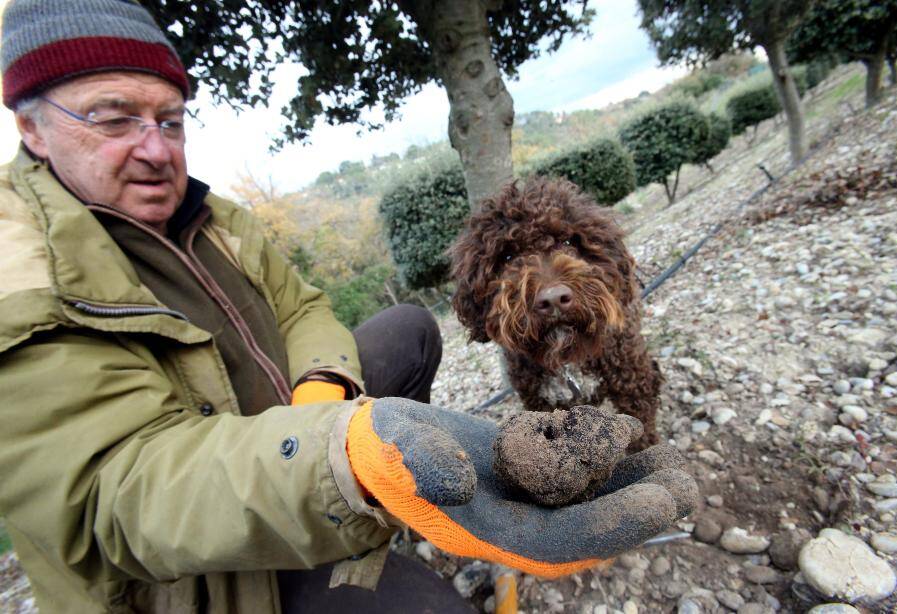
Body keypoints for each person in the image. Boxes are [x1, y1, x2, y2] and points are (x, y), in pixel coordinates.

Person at [0, 1, 697, 613]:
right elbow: (110, 500)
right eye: (113, 119)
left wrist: (323, 389)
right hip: (198, 571)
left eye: (171, 120)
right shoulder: (17, 267)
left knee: (407, 329)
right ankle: (357, 515)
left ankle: (388, 502)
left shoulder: (214, 217)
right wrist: (342, 456)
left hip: (290, 433)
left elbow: (304, 310)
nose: (154, 148)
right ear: (31, 128)